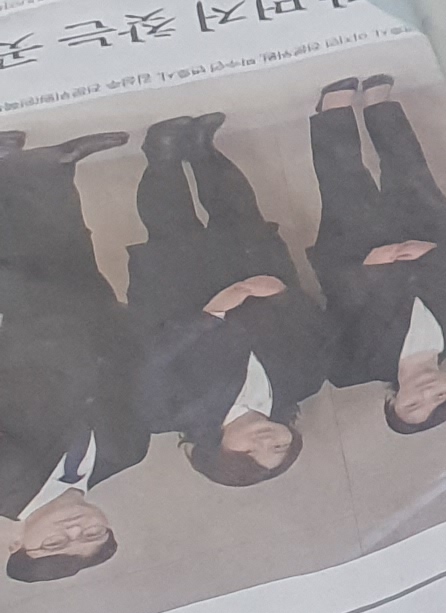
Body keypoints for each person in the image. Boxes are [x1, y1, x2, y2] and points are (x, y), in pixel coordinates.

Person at [124, 113, 330, 485]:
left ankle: (162, 154)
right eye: (279, 447)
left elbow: (149, 360)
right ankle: (203, 150)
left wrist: (211, 314)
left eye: (250, 452)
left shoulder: (169, 414)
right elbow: (313, 329)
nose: (265, 441)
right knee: (239, 212)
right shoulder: (302, 384)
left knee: (171, 223)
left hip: (178, 298)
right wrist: (283, 295)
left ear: (217, 450)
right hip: (259, 283)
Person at [305, 75, 446, 435]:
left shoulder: (352, 367)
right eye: (441, 396)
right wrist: (432, 251)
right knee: (408, 169)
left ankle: (333, 112)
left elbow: (332, 315)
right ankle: (380, 106)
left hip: (357, 257)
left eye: (413, 405)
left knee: (344, 183)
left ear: (392, 401)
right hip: (427, 238)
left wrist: (369, 270)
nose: (426, 392)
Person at [0, 130, 148, 583]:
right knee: (70, 250)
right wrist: (121, 326)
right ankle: (54, 167)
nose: (76, 530)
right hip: (91, 323)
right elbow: (132, 380)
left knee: (11, 255)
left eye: (55, 543)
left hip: (19, 331)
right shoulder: (127, 453)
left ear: (16, 541)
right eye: (93, 536)